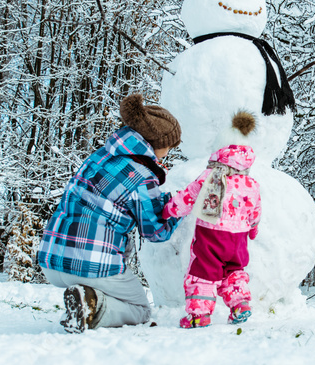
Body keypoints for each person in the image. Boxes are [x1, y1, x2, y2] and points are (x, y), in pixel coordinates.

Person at [37, 93, 181, 333]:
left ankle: (88, 296)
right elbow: (156, 232)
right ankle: (90, 306)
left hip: (51, 259)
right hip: (90, 263)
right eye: (170, 145)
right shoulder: (142, 177)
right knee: (140, 308)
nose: (169, 151)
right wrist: (179, 208)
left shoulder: (100, 156)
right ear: (158, 142)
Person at [164, 111, 261, 328]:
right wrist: (253, 229)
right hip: (238, 240)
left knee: (203, 274)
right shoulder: (251, 183)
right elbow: (255, 210)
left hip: (211, 236)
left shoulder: (211, 176)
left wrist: (169, 210)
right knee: (234, 272)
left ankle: (199, 315)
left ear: (220, 151)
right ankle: (240, 304)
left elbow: (188, 197)